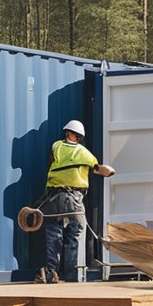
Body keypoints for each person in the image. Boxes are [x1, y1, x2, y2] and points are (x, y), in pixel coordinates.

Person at [38, 120, 115, 283]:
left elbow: (51, 161)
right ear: (79, 137)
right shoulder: (83, 153)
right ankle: (71, 275)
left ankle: (52, 273)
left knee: (53, 234)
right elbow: (99, 169)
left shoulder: (56, 146)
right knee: (77, 231)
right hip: (73, 198)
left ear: (67, 133)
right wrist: (109, 171)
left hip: (51, 197)